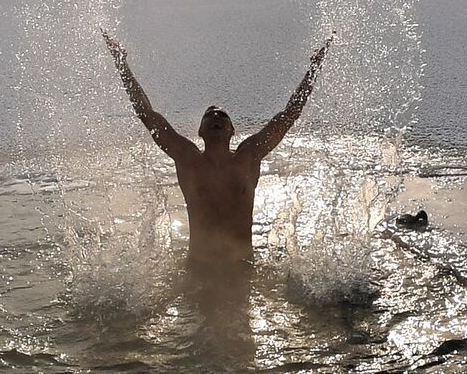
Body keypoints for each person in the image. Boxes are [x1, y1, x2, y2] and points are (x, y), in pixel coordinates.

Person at [101, 28, 329, 265]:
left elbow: (289, 115)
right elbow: (147, 115)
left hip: (242, 268)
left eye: (222, 116)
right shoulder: (189, 160)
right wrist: (121, 64)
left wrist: (314, 66)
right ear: (200, 131)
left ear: (232, 131)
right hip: (199, 268)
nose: (216, 117)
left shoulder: (248, 156)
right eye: (209, 116)